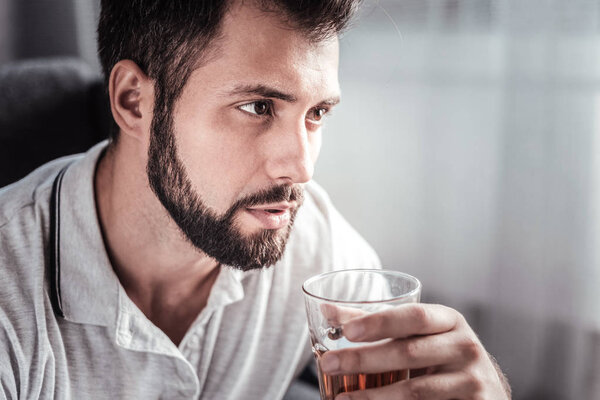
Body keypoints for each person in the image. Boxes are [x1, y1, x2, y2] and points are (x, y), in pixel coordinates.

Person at [0, 0, 511, 399]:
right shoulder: (11, 293)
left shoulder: (317, 251)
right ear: (134, 101)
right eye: (257, 106)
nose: (302, 168)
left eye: (317, 113)